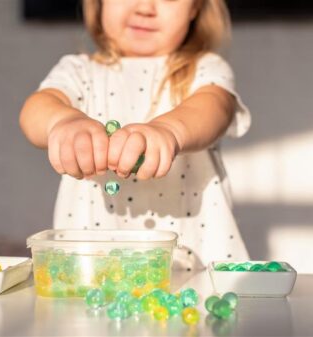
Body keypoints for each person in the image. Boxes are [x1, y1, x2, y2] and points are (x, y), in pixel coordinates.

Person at [20, 0, 251, 270]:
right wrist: (63, 120)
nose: (145, 8)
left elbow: (215, 108)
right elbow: (36, 108)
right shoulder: (78, 71)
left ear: (195, 8)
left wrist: (170, 130)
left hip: (193, 264)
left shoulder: (206, 68)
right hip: (93, 263)